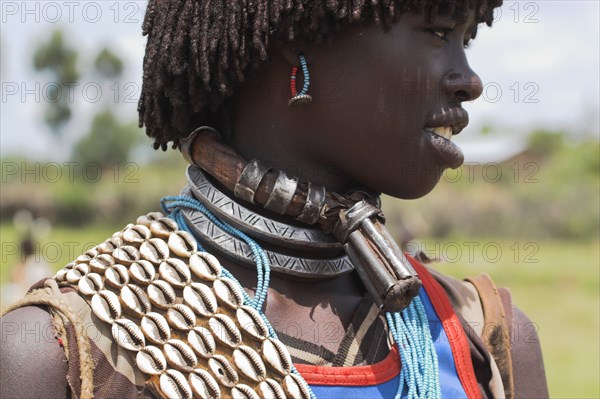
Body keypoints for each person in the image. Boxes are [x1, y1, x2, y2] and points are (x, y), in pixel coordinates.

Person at [0, 1, 549, 398]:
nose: (470, 80)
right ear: (298, 32)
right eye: (435, 30)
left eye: (467, 38)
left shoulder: (484, 338)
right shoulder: (68, 351)